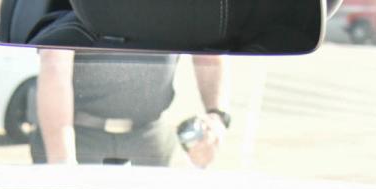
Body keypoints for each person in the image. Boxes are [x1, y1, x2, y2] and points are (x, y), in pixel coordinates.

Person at [30, 49, 231, 168]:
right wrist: (62, 164)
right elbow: (55, 62)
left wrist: (216, 116)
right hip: (79, 137)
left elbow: (209, 51)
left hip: (150, 136)